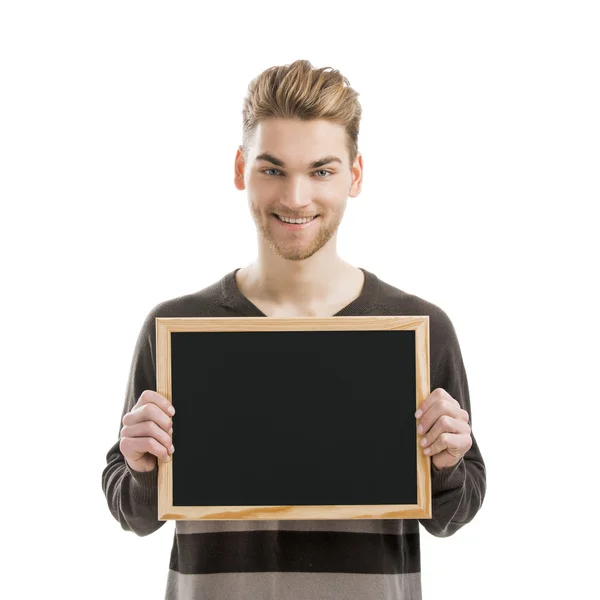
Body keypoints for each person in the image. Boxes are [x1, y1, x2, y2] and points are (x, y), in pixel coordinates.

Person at [102, 58, 486, 600]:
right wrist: (140, 466)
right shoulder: (176, 329)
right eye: (273, 169)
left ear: (354, 176)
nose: (296, 197)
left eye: (321, 171)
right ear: (241, 169)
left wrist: (448, 461)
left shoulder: (420, 331)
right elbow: (131, 510)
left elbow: (453, 513)